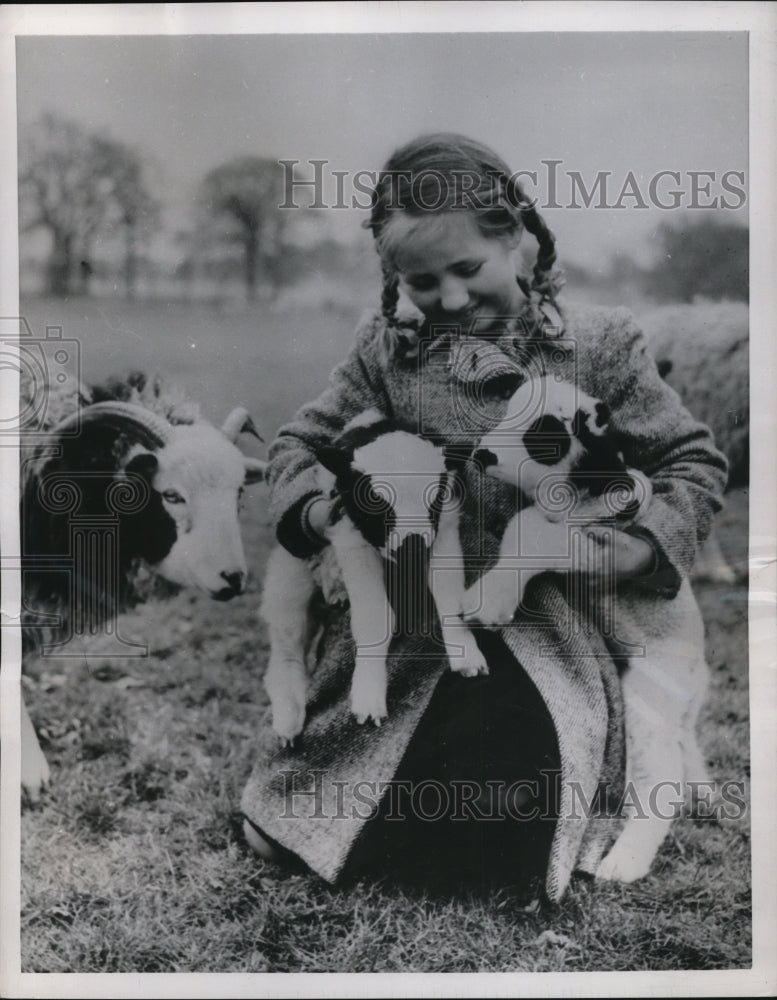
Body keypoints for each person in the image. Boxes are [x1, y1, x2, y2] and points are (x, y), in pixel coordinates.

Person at [241, 133, 728, 900]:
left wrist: (637, 548)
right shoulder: (386, 352)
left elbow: (692, 461)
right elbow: (298, 440)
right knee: (304, 821)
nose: (452, 299)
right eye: (423, 280)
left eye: (467, 269)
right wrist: (324, 511)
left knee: (507, 797)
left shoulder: (599, 345)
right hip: (410, 622)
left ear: (522, 244)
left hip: (551, 623)